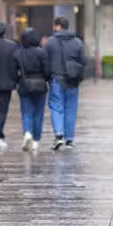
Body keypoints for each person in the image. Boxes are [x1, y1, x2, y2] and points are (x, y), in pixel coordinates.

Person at [45, 16, 86, 150]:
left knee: (57, 107)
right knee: (71, 109)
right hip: (73, 79)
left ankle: (59, 135)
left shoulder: (50, 42)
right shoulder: (77, 42)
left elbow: (45, 61)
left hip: (57, 78)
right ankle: (69, 138)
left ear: (57, 26)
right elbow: (83, 61)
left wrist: (47, 77)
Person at [14, 27, 50, 152]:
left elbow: (15, 72)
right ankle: (36, 140)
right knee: (38, 113)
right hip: (40, 85)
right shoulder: (42, 52)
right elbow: (47, 71)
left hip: (25, 85)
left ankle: (27, 132)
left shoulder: (18, 53)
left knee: (26, 112)